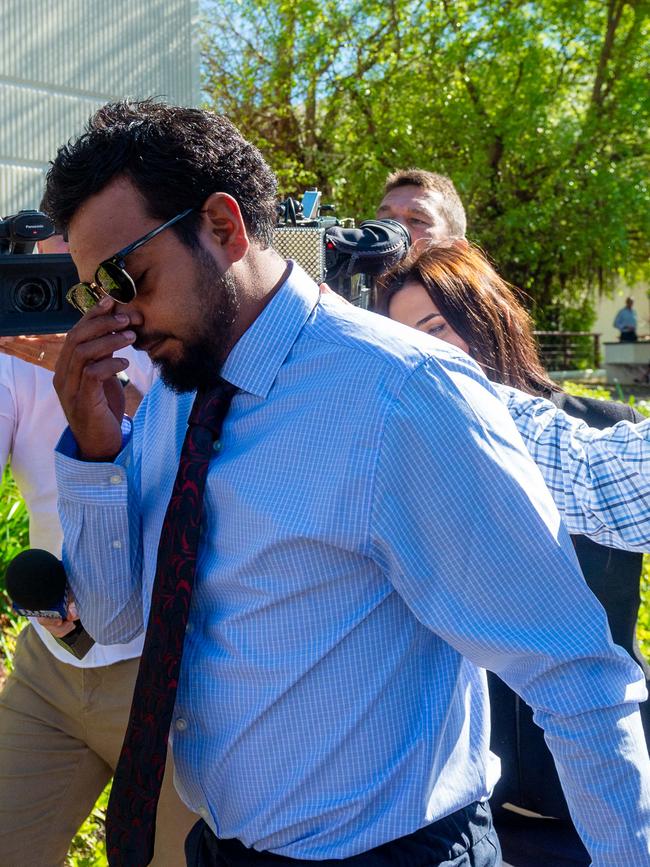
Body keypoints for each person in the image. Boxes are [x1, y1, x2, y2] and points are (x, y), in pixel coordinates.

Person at [45, 100, 650, 866]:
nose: (116, 317)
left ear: (224, 227)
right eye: (92, 293)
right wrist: (96, 456)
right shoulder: (172, 391)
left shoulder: (403, 396)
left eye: (127, 278)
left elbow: (575, 672)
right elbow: (116, 613)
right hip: (227, 846)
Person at [377, 239, 650, 864]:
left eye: (437, 329)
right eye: (403, 344)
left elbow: (606, 486)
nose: (423, 358)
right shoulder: (412, 459)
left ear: (488, 317)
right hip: (481, 800)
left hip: (607, 775)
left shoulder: (598, 428)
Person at [0, 232, 197, 866]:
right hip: (54, 661)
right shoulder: (18, 350)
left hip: (174, 676)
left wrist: (108, 391)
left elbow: (223, 462)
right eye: (59, 247)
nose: (75, 278)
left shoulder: (189, 339)